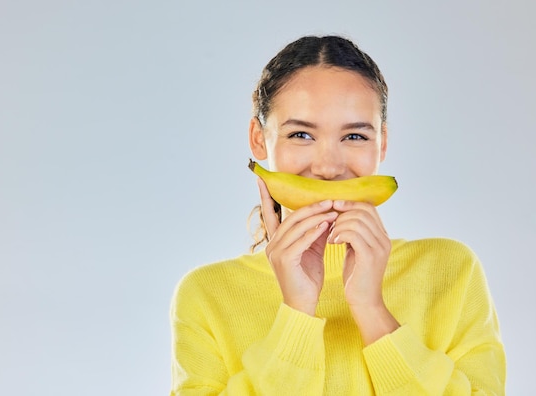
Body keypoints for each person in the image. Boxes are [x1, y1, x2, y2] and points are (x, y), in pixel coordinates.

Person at [169, 35, 506, 395]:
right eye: (301, 134)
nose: (328, 167)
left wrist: (372, 309)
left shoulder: (451, 271)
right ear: (258, 139)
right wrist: (296, 314)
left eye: (355, 137)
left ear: (383, 143)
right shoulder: (206, 295)